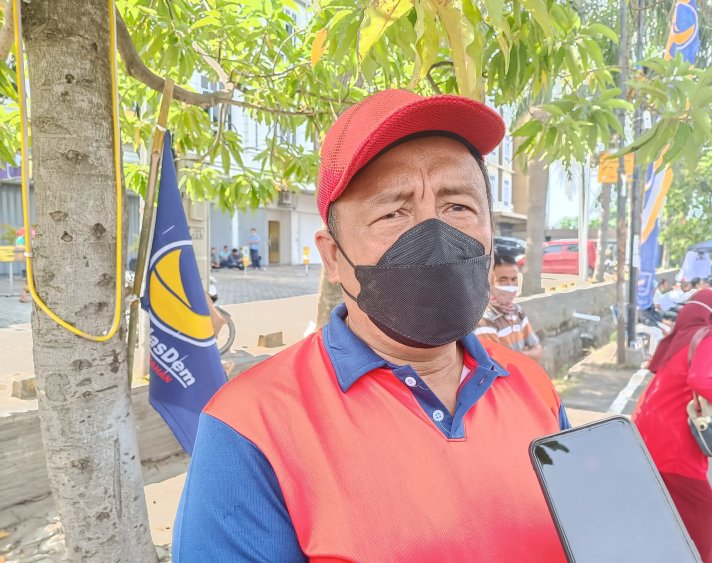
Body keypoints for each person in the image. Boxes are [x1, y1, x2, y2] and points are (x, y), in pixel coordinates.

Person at [172, 89, 570, 561]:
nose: (435, 235)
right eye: (393, 212)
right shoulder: (250, 426)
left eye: (458, 206)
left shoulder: (533, 387)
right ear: (334, 256)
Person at [633, 286, 712, 563]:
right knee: (704, 514)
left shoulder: (686, 333)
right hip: (676, 442)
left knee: (666, 510)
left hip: (649, 433)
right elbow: (703, 381)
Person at [474, 251, 543, 361]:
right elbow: (499, 363)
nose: (510, 285)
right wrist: (526, 354)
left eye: (513, 279)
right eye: (503, 279)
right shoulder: (484, 319)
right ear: (489, 281)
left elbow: (538, 352)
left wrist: (515, 355)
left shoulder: (517, 311)